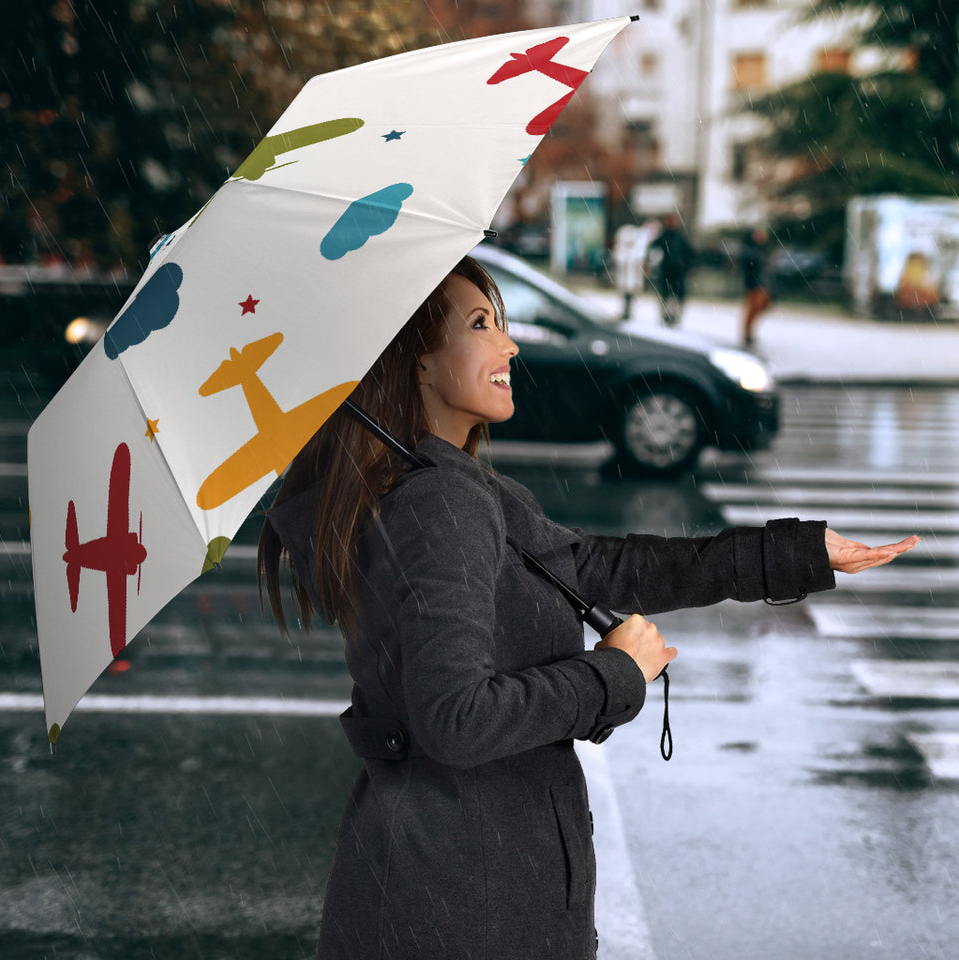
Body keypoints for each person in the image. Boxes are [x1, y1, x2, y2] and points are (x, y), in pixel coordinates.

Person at [258, 256, 918, 960]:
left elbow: (602, 567)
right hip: (465, 902)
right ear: (416, 363)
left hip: (452, 883)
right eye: (481, 325)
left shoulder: (451, 489)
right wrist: (612, 673)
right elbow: (456, 720)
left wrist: (795, 554)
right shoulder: (438, 504)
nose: (509, 345)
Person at [647, 213, 694, 327]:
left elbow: (689, 253)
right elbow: (653, 249)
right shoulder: (664, 236)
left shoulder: (680, 237)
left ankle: (674, 316)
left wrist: (689, 267)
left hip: (678, 271)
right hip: (667, 270)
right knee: (666, 294)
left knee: (676, 295)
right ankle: (666, 315)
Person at [740, 226, 772, 347]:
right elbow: (749, 265)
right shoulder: (750, 250)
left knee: (761, 306)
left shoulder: (762, 249)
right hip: (754, 284)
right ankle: (747, 333)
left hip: (762, 283)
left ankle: (749, 331)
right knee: (753, 308)